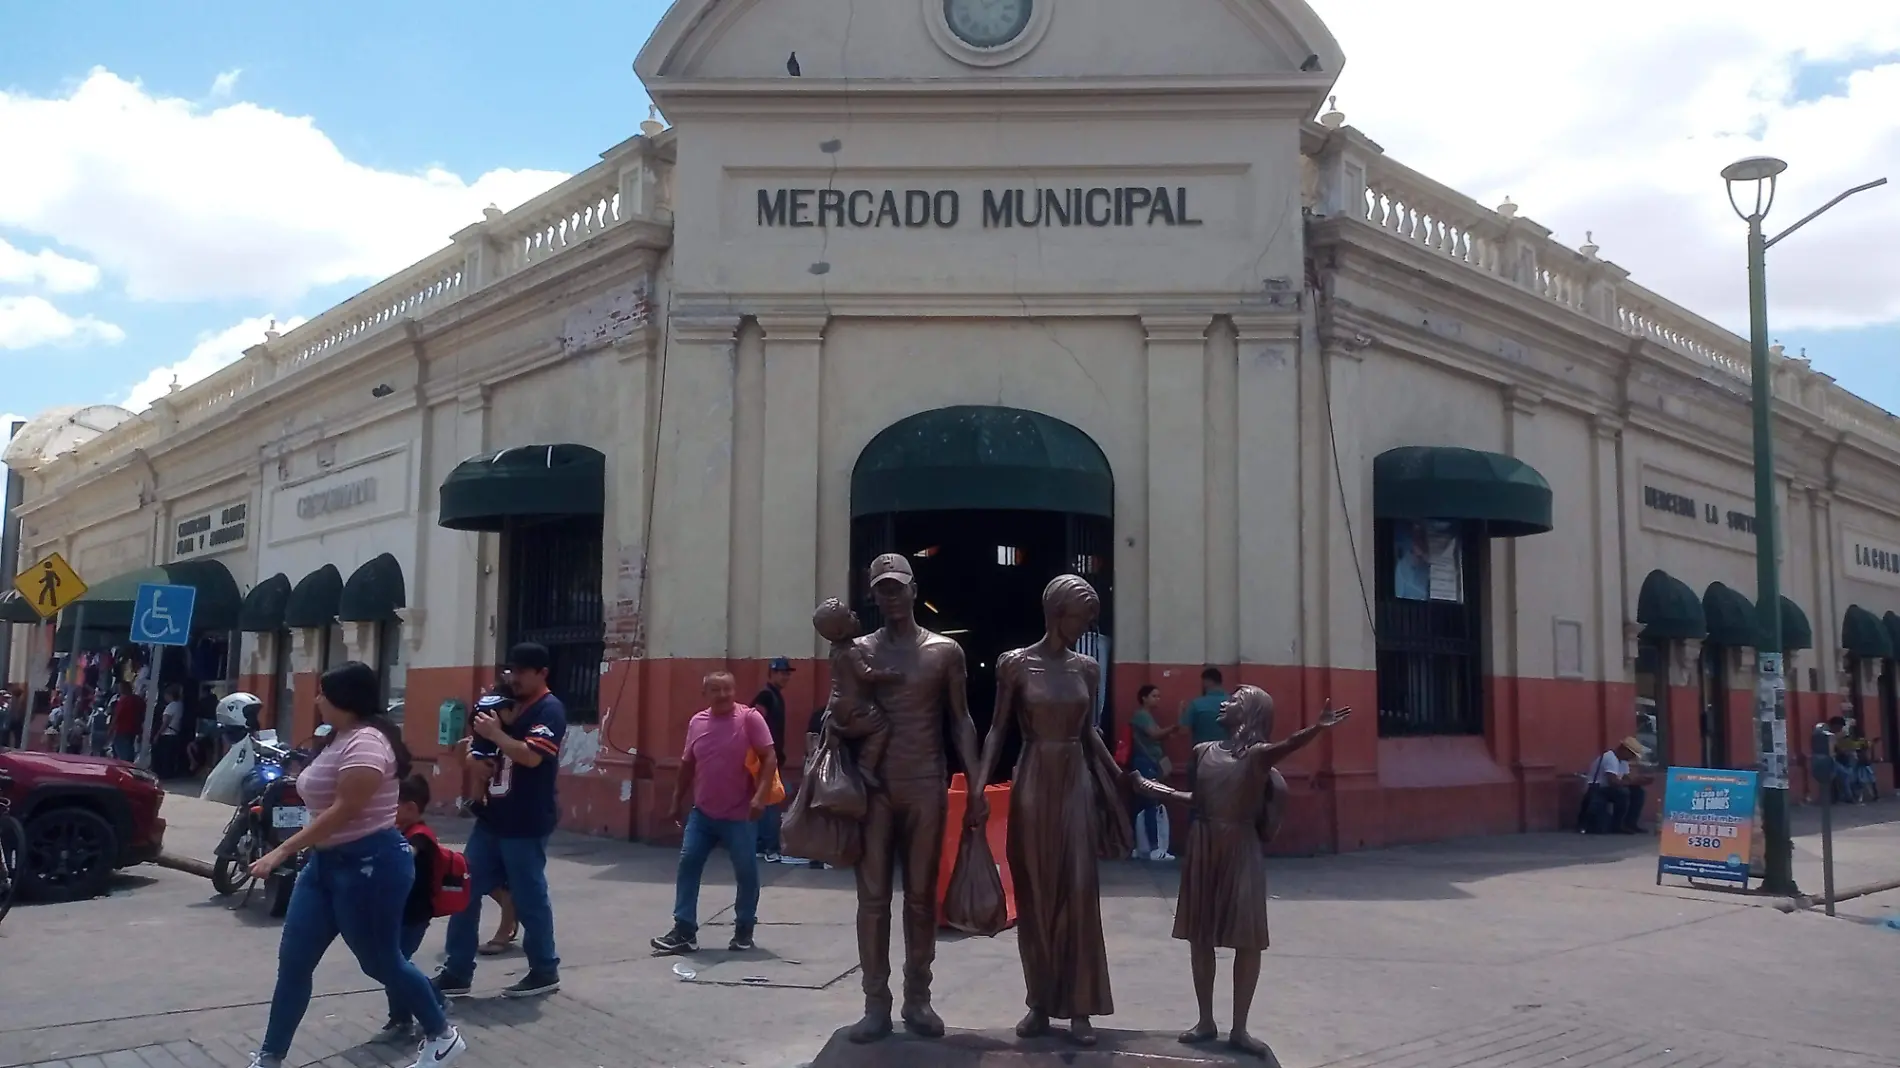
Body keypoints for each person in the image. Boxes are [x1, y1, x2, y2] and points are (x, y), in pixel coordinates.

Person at [244, 661, 464, 1068]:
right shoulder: (336, 738)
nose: (316, 699)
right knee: (294, 962)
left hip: (370, 866)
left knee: (380, 962)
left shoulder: (367, 742)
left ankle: (442, 1033)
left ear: (344, 699)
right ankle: (270, 1057)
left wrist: (280, 851)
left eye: (323, 692)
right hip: (325, 866)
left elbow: (345, 810)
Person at [1131, 686, 1350, 1058]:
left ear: (1248, 713)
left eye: (1233, 700)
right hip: (1204, 843)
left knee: (1247, 937)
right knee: (1200, 935)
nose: (1224, 703)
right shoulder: (1202, 752)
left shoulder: (1259, 756)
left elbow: (1288, 745)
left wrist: (1317, 729)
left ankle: (1239, 1028)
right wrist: (1155, 790)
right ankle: (1205, 1021)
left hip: (1240, 845)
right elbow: (1198, 801)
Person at [972, 575, 1132, 1047]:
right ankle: (1039, 1000)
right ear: (1058, 612)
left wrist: (1119, 780)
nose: (1087, 625)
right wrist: (979, 786)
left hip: (1075, 780)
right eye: (1082, 616)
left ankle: (1080, 1007)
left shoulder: (1087, 669)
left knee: (1079, 891)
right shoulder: (1015, 665)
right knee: (1036, 891)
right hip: (1034, 778)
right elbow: (998, 731)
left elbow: (1091, 734)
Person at [845, 552, 986, 1044]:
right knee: (873, 899)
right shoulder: (857, 650)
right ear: (873, 593)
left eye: (896, 586)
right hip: (875, 788)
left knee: (922, 898)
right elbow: (838, 714)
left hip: (926, 782)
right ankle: (875, 1003)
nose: (890, 596)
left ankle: (918, 998)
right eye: (881, 588)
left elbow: (961, 720)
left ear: (912, 588)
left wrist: (976, 783)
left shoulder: (945, 652)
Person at [434, 643, 566, 999]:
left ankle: (543, 969)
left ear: (542, 673)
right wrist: (473, 761)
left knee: (528, 896)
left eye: (523, 671)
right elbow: (470, 746)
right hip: (491, 818)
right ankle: (457, 971)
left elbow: (532, 757)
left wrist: (497, 735)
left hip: (526, 820)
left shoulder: (549, 711)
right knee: (463, 891)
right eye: (512, 670)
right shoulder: (501, 703)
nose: (515, 677)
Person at [650, 671, 780, 955]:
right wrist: (676, 800)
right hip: (703, 812)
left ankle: (744, 929)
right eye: (715, 690)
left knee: (746, 872)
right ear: (705, 694)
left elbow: (770, 756)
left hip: (740, 814)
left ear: (735, 691)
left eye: (727, 689)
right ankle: (684, 930)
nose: (722, 695)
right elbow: (687, 764)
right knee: (688, 864)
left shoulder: (750, 719)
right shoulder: (697, 722)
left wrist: (760, 797)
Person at [378, 775, 451, 1044]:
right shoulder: (402, 831)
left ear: (409, 807)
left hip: (414, 915)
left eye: (391, 805)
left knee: (395, 967)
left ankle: (428, 1007)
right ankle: (405, 1017)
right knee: (393, 966)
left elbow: (406, 855)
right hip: (398, 914)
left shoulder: (421, 836)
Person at [457, 692, 520, 956]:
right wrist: (472, 760)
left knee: (518, 881)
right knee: (470, 875)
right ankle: (458, 962)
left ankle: (509, 926)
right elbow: (467, 755)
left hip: (519, 817)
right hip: (489, 816)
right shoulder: (484, 733)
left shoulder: (529, 725)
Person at [812, 599, 899, 789]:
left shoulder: (834, 651)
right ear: (841, 630)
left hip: (838, 706)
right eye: (849, 615)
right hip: (855, 705)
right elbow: (865, 673)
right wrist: (888, 675)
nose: (855, 616)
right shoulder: (851, 651)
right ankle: (866, 765)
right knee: (881, 726)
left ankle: (839, 735)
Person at [1128, 683, 1182, 860]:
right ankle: (1154, 848)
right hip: (1146, 763)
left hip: (1146, 762)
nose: (1157, 699)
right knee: (1151, 803)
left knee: (1143, 804)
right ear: (1144, 698)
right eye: (1154, 696)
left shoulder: (1146, 716)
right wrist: (1174, 726)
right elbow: (1154, 735)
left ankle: (1141, 846)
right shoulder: (1142, 716)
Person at [751, 657, 794, 862]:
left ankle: (760, 846)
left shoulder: (775, 696)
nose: (785, 676)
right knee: (770, 801)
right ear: (772, 673)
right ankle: (770, 848)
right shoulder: (766, 696)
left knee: (768, 800)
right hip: (764, 758)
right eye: (782, 672)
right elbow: (755, 721)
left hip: (769, 757)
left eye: (787, 673)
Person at [1581, 737, 1650, 834]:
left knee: (1638, 792)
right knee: (1622, 793)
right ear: (1623, 749)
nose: (1631, 757)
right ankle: (1617, 825)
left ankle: (1630, 823)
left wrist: (1637, 781)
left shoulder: (1623, 761)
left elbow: (1625, 778)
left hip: (1608, 788)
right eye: (1631, 754)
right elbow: (1612, 781)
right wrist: (1631, 782)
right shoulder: (1610, 758)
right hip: (1598, 788)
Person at [1180, 667, 1230, 746]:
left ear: (1207, 681)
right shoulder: (1234, 702)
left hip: (1204, 753)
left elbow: (1183, 730)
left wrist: (1182, 712)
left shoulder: (1196, 704)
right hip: (1229, 753)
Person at [109, 680, 145, 762]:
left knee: (122, 750)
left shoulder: (123, 701)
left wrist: (110, 730)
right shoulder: (138, 700)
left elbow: (117, 716)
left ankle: (126, 766)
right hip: (134, 729)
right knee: (129, 748)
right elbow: (143, 714)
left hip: (122, 729)